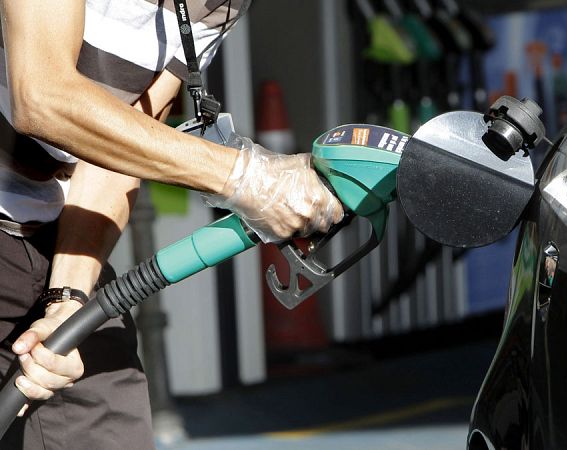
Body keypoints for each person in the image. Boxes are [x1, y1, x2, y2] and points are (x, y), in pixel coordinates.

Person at [0, 0, 343, 448]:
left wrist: (67, 300)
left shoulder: (218, 6)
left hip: (39, 226)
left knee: (106, 418)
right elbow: (43, 95)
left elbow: (113, 155)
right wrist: (246, 177)